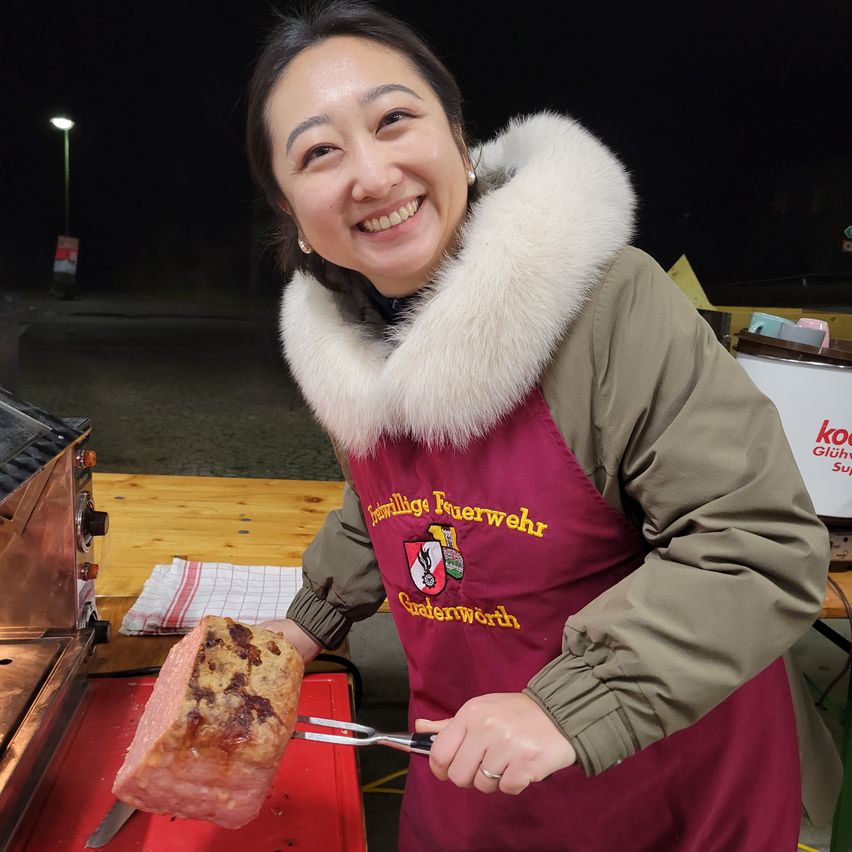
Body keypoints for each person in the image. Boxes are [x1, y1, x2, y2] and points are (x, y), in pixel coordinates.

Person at [245, 3, 841, 849]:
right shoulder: (350, 339)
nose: (371, 176)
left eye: (394, 120)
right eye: (319, 152)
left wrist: (567, 705)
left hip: (662, 777)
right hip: (466, 773)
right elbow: (391, 503)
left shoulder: (606, 306)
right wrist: (313, 616)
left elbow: (756, 542)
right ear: (290, 207)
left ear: (456, 136)